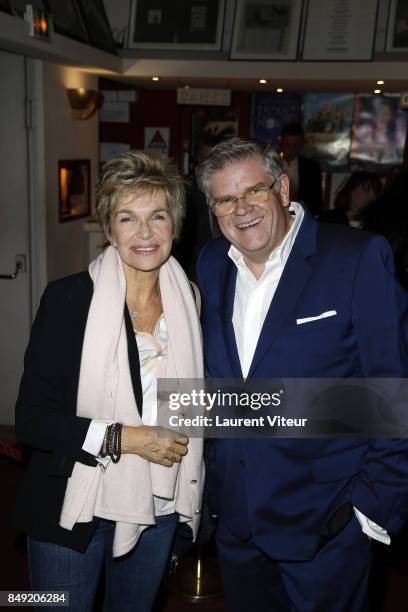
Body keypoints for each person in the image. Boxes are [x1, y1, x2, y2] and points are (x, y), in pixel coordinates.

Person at [195, 137, 408, 612]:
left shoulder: (356, 257)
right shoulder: (211, 264)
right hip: (237, 518)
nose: (242, 209)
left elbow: (393, 389)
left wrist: (373, 507)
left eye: (253, 191)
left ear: (283, 188)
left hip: (327, 520)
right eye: (225, 199)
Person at [15, 152, 204, 611]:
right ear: (109, 228)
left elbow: (190, 406)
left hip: (158, 502)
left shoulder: (190, 299)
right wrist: (127, 438)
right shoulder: (69, 299)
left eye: (157, 216)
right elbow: (32, 422)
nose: (144, 233)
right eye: (128, 217)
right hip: (73, 502)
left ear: (174, 225)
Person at [280, 122, 323, 216]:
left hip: (302, 216)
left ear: (301, 144)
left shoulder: (312, 168)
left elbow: (317, 203)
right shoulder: (272, 164)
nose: (291, 150)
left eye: (295, 145)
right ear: (281, 142)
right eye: (288, 145)